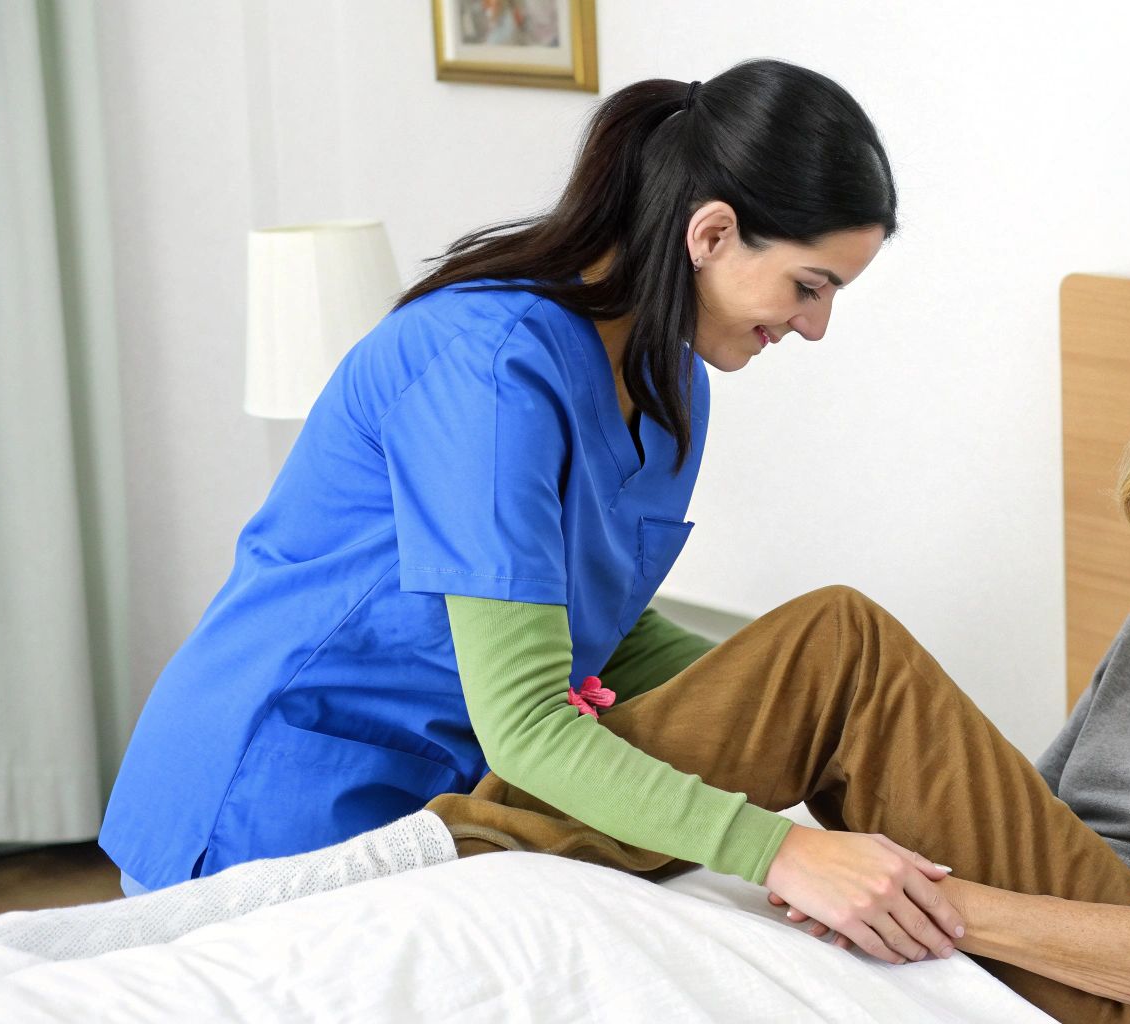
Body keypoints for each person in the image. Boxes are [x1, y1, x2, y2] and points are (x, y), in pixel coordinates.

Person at [99, 58, 974, 960]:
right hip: (272, 796)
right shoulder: (488, 369)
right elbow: (524, 722)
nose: (816, 327)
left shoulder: (671, 382)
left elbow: (598, 623)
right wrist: (779, 849)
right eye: (810, 286)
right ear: (711, 234)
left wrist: (785, 699)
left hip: (439, 799)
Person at [429, 334, 1130, 1023]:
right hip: (1073, 926)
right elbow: (1043, 806)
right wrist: (887, 880)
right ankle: (452, 852)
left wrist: (927, 904)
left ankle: (456, 843)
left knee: (842, 648)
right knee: (832, 649)